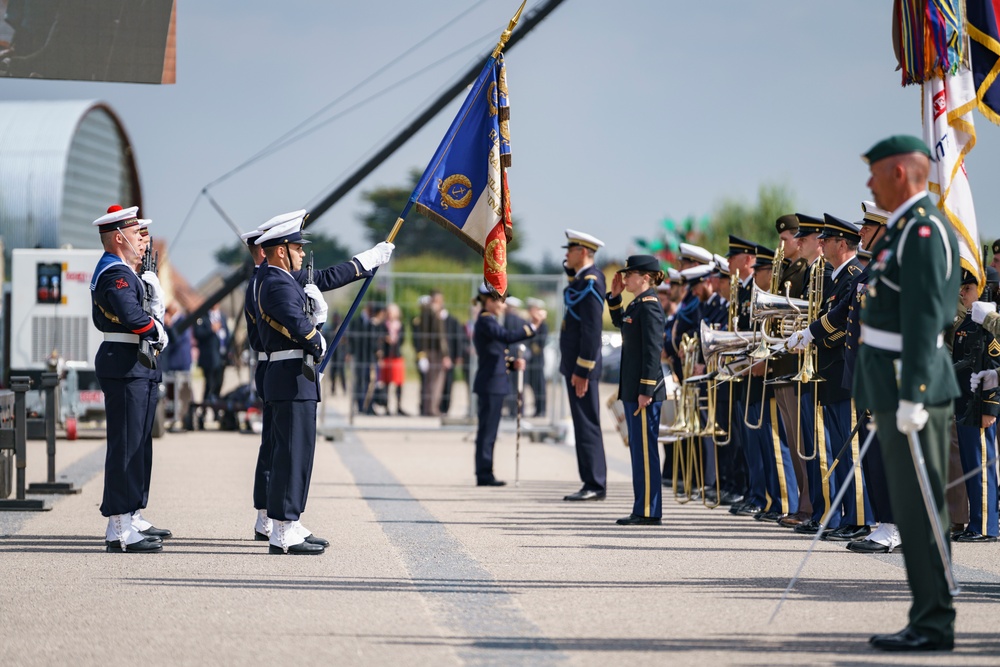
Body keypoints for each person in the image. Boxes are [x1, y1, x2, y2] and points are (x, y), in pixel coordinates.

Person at [856, 135, 960, 652]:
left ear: (900, 173)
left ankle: (934, 622)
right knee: (911, 509)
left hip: (909, 388)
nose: (869, 183)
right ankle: (925, 615)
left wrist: (914, 394)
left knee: (921, 511)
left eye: (875, 173)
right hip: (893, 386)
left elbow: (924, 318)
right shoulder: (900, 232)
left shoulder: (921, 231)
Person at [247, 211, 392, 547]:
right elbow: (304, 332)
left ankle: (288, 522)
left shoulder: (279, 279)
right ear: (281, 250)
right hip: (290, 376)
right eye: (297, 247)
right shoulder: (275, 283)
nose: (301, 253)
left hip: (290, 376)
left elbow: (325, 278)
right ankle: (283, 529)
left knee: (294, 451)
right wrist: (319, 327)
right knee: (291, 452)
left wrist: (365, 261)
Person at [89, 205, 168, 553]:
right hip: (123, 362)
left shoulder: (125, 271)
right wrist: (155, 327)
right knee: (125, 445)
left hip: (135, 362)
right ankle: (119, 527)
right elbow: (129, 312)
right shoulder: (113, 271)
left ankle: (131, 513)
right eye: (137, 234)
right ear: (119, 238)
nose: (143, 239)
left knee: (138, 444)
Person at [607, 255, 667, 525]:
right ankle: (642, 507)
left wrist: (646, 390)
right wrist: (615, 298)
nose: (625, 278)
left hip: (644, 393)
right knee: (638, 451)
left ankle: (648, 510)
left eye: (630, 275)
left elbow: (653, 353)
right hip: (634, 390)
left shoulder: (650, 306)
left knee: (645, 451)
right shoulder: (637, 305)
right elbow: (622, 325)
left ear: (645, 277)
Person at [470, 284, 542, 486]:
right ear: (489, 301)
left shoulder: (490, 321)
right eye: (500, 301)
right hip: (490, 383)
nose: (503, 305)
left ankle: (486, 472)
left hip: (495, 382)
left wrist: (512, 363)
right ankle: (484, 474)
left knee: (491, 431)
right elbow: (506, 338)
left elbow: (496, 352)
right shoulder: (486, 321)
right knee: (487, 431)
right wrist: (532, 327)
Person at [560, 229, 608, 501]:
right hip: (576, 366)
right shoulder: (582, 280)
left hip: (582, 368)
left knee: (587, 422)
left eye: (570, 250)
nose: (567, 254)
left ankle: (595, 483)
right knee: (582, 422)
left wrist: (582, 370)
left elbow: (591, 331)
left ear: (583, 252)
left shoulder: (591, 282)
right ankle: (590, 480)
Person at [952, 268, 999, 543]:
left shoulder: (989, 322)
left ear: (983, 290)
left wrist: (990, 409)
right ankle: (976, 524)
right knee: (972, 466)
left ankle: (984, 527)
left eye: (968, 289)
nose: (963, 293)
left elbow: (994, 366)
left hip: (979, 406)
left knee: (981, 467)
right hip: (965, 404)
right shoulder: (968, 321)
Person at [193, 303, 230, 426]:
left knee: (218, 385)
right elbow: (198, 334)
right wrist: (211, 329)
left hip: (221, 358)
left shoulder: (222, 317)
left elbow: (227, 335)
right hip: (208, 359)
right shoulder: (202, 317)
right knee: (209, 385)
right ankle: (203, 413)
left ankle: (216, 412)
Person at [380, 303, 408, 416]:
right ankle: (386, 406)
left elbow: (403, 340)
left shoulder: (401, 326)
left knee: (399, 382)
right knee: (386, 382)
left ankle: (399, 406)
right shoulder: (383, 326)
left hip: (397, 356)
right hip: (386, 356)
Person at [525, 297, 549, 417]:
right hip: (529, 360)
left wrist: (530, 345)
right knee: (532, 385)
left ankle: (541, 409)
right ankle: (537, 409)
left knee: (540, 386)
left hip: (537, 359)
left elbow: (540, 344)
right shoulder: (529, 323)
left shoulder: (542, 326)